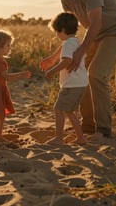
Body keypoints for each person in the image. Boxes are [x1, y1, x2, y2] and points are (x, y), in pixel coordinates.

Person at [43, 0, 116, 139]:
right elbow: (69, 30)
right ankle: (88, 126)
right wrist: (54, 57)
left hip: (115, 31)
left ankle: (103, 130)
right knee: (79, 74)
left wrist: (80, 51)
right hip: (94, 34)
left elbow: (96, 22)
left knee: (96, 74)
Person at [40, 12, 89, 145]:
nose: (57, 35)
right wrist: (51, 60)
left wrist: (52, 71)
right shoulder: (75, 41)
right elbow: (61, 52)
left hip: (71, 84)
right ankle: (80, 138)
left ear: (62, 30)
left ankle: (59, 138)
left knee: (59, 109)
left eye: (57, 32)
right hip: (81, 83)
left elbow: (66, 61)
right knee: (69, 111)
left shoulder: (68, 43)